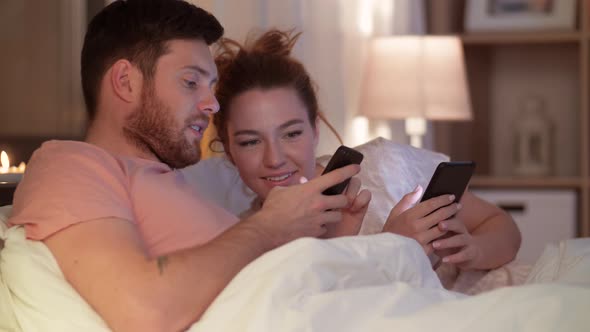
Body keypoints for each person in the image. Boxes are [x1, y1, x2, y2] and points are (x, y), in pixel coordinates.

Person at [7, 1, 362, 331]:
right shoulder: (72, 167)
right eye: (190, 82)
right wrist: (269, 225)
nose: (212, 105)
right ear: (125, 82)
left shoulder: (176, 188)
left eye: (210, 87)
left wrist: (342, 245)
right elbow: (144, 309)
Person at [211, 29, 521, 272]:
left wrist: (471, 251)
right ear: (227, 149)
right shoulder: (245, 242)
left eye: (291, 133)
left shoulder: (384, 167)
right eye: (250, 141)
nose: (274, 159)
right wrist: (391, 247)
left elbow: (501, 226)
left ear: (315, 129)